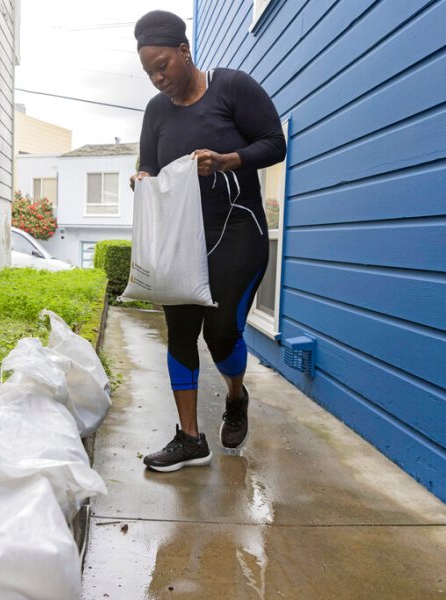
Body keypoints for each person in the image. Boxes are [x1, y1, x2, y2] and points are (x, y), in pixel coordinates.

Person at [131, 10, 286, 472]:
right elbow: (149, 166)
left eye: (163, 65)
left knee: (220, 333)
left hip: (236, 233)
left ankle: (236, 395)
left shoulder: (232, 87)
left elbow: (274, 143)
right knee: (180, 332)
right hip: (181, 239)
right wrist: (141, 178)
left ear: (184, 51)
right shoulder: (156, 112)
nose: (158, 78)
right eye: (148, 72)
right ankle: (189, 439)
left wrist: (227, 160)